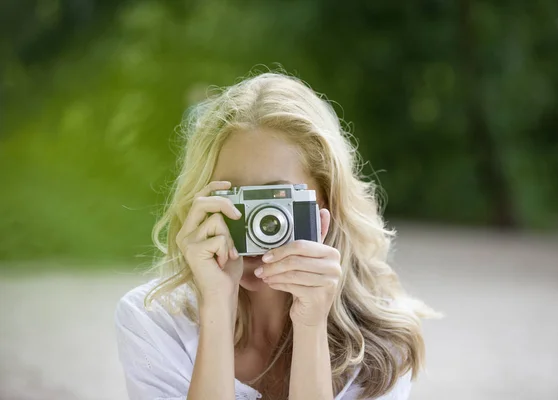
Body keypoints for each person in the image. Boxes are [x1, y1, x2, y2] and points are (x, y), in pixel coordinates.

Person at [114, 70, 434, 400]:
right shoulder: (153, 321)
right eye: (236, 198)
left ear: (324, 204)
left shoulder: (384, 341)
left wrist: (311, 328)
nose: (255, 223)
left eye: (274, 200)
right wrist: (217, 311)